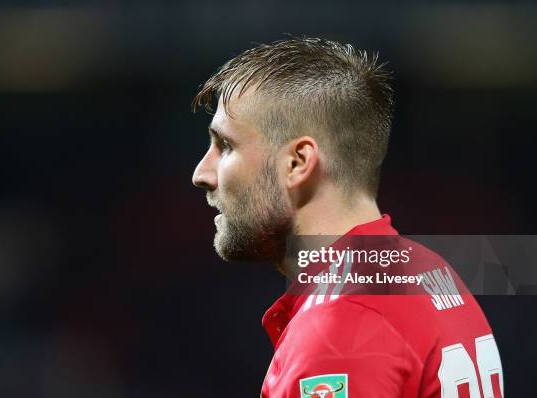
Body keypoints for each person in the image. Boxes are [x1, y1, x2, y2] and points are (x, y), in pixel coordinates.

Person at [191, 37, 503, 398]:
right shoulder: (431, 273)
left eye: (226, 146)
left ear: (297, 163)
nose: (202, 173)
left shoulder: (341, 329)